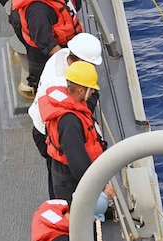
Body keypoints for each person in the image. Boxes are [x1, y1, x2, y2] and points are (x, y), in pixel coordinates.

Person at [29, 32, 103, 197]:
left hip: (48, 129)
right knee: (65, 180)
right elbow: (75, 154)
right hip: (48, 134)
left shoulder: (62, 55)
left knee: (55, 172)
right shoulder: (62, 83)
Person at [39, 60, 115, 206]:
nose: (93, 92)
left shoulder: (69, 104)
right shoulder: (70, 122)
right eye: (90, 89)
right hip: (69, 179)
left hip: (62, 170)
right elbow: (77, 162)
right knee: (74, 219)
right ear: (81, 90)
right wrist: (101, 187)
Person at [9, 0, 82, 95]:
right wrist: (65, 62)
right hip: (42, 54)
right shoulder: (38, 11)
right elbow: (45, 41)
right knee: (43, 83)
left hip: (63, 40)